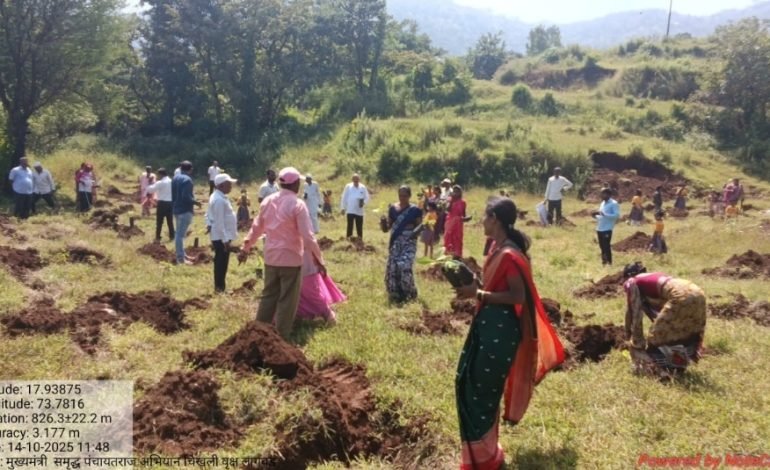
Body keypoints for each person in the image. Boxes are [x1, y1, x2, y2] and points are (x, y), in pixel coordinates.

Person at [453, 197, 564, 470]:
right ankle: (484, 453)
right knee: (468, 386)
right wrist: (470, 283)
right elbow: (493, 286)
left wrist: (477, 293)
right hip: (488, 327)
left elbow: (517, 295)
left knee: (482, 393)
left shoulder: (510, 254)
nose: (482, 221)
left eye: (485, 216)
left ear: (496, 220)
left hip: (500, 334)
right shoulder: (497, 248)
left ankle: (486, 458)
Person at [238, 167, 326, 339]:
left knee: (268, 296)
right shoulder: (298, 204)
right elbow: (308, 237)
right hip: (291, 259)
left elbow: (256, 228)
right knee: (287, 300)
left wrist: (245, 247)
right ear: (295, 184)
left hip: (271, 258)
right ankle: (280, 337)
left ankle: (258, 334)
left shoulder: (268, 201)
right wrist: (319, 260)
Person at [622, 262, 706, 374]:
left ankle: (661, 369)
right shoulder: (652, 277)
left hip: (681, 295)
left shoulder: (631, 281)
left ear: (628, 276)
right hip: (697, 292)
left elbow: (635, 313)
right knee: (682, 332)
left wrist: (637, 344)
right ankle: (679, 365)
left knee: (656, 337)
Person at [383, 186, 423, 304]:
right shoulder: (393, 209)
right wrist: (383, 223)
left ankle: (409, 293)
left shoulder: (415, 210)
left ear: (409, 196)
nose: (402, 198)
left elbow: (420, 227)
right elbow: (387, 228)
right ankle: (395, 293)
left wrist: (415, 232)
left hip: (409, 242)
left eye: (405, 196)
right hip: (396, 242)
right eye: (400, 195)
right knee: (393, 266)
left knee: (404, 265)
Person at [206, 173, 238, 293]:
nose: (231, 186)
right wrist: (225, 240)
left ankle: (220, 287)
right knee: (221, 262)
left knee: (222, 261)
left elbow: (209, 214)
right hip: (221, 237)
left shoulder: (219, 196)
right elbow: (219, 222)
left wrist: (208, 223)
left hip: (221, 235)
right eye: (229, 184)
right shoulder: (219, 200)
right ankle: (219, 289)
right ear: (221, 185)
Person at [296, 248, 345, 324]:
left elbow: (310, 242)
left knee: (312, 293)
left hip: (304, 264)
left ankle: (328, 315)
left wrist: (319, 261)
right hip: (294, 264)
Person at [172, 161, 202, 265]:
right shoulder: (188, 180)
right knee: (180, 235)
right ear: (191, 169)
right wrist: (196, 202)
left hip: (176, 209)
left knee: (179, 234)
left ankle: (182, 254)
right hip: (185, 210)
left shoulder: (175, 178)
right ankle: (180, 258)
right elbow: (186, 197)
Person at [593, 188, 620, 266]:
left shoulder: (614, 204)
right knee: (602, 246)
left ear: (608, 194)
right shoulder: (602, 203)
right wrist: (595, 216)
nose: (601, 195)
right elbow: (602, 216)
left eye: (602, 194)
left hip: (607, 228)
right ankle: (604, 262)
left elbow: (616, 216)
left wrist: (604, 214)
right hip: (600, 228)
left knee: (606, 246)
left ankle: (609, 263)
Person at [146, 168, 174, 242]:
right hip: (170, 202)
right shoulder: (171, 181)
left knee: (159, 221)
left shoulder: (161, 182)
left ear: (161, 174)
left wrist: (149, 183)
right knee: (170, 221)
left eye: (158, 175)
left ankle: (158, 236)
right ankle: (172, 236)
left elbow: (150, 190)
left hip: (162, 203)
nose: (157, 176)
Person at [340, 173, 370, 239]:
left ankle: (359, 240)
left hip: (359, 211)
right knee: (350, 226)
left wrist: (363, 203)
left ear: (359, 179)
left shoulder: (362, 187)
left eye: (357, 179)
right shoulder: (348, 186)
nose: (356, 181)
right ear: (352, 180)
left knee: (359, 226)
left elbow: (367, 197)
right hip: (350, 210)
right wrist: (343, 208)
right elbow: (344, 197)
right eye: (354, 179)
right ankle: (348, 239)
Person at [444, 185, 467, 257]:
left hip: (458, 224)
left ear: (460, 193)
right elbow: (447, 210)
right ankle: (448, 255)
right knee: (448, 238)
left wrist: (466, 218)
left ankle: (457, 256)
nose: (456, 193)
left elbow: (463, 214)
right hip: (450, 222)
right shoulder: (450, 200)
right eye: (454, 191)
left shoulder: (463, 202)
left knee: (457, 240)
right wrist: (451, 201)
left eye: (457, 191)